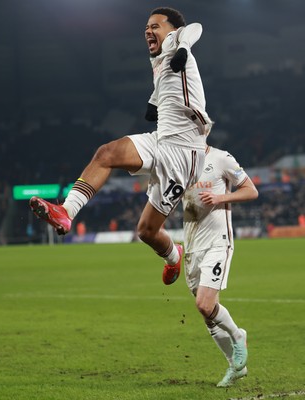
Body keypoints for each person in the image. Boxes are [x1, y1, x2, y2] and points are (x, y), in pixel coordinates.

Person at [29, 7, 213, 285]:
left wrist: (184, 48)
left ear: (172, 31)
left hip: (185, 152)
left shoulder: (178, 42)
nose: (148, 31)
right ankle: (66, 212)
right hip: (161, 139)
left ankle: (174, 257)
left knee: (147, 231)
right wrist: (154, 102)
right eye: (146, 28)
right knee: (106, 153)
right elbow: (165, 84)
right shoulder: (159, 60)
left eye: (155, 26)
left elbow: (195, 27)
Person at [182, 144, 258, 387]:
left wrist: (221, 197)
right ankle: (236, 367)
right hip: (192, 246)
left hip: (217, 242)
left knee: (205, 304)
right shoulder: (180, 162)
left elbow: (251, 190)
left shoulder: (221, 158)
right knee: (207, 316)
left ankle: (238, 335)